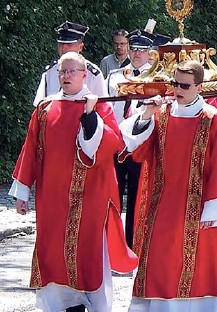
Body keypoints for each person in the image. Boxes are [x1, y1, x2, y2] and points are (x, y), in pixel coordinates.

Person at [9, 51, 137, 312]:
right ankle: (60, 305)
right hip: (52, 197)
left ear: (84, 75)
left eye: (71, 72)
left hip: (91, 196)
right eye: (62, 72)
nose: (65, 76)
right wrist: (22, 191)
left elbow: (112, 144)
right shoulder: (44, 109)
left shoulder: (99, 105)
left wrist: (90, 117)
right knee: (52, 250)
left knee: (89, 252)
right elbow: (30, 149)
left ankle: (95, 303)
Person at [119, 59, 217, 311]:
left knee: (196, 266)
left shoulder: (211, 119)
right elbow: (137, 149)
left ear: (199, 86)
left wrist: (215, 210)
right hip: (161, 204)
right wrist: (146, 115)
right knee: (160, 262)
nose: (178, 90)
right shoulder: (162, 114)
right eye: (175, 83)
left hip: (197, 207)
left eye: (184, 85)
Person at [106, 29, 155, 248]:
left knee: (137, 195)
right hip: (116, 143)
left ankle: (133, 243)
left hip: (140, 144)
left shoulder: (156, 78)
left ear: (149, 53)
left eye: (142, 50)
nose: (137, 54)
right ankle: (112, 242)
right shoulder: (116, 76)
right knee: (112, 194)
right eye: (134, 49)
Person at [34, 21, 107, 106]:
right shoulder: (49, 71)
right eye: (61, 44)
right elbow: (40, 105)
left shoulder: (93, 73)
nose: (64, 48)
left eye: (69, 44)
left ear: (80, 47)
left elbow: (103, 106)